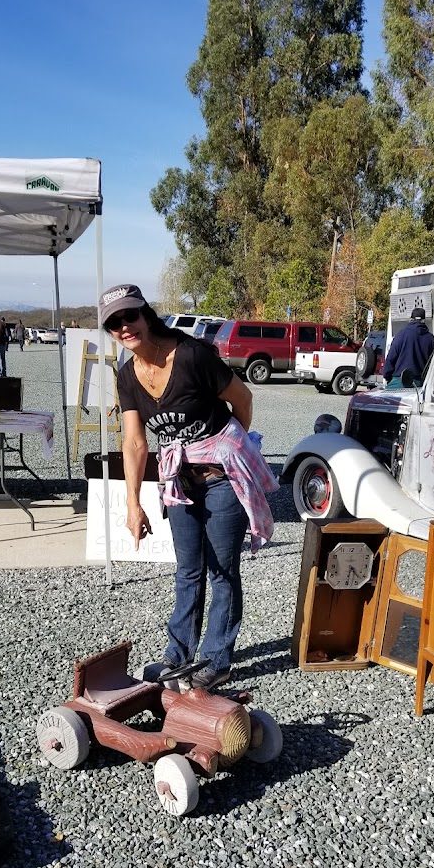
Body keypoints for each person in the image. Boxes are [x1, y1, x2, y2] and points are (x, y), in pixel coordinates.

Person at [101, 282, 278, 690]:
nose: (124, 327)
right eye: (114, 323)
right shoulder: (127, 376)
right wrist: (133, 503)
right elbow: (134, 442)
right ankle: (177, 656)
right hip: (177, 483)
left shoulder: (193, 356)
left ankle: (217, 659)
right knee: (188, 570)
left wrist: (230, 447)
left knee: (222, 571)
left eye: (130, 316)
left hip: (221, 481)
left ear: (145, 314)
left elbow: (243, 399)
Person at [382, 307, 434, 387]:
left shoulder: (401, 335)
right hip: (420, 384)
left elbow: (391, 358)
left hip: (399, 381)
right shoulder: (431, 338)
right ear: (424, 320)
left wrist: (387, 376)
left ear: (411, 319)